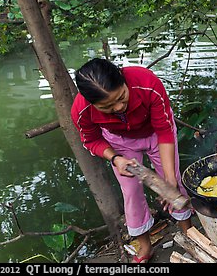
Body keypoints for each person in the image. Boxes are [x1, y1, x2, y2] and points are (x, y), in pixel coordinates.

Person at [71, 58, 193, 263]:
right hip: (119, 143)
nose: (119, 107)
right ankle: (144, 245)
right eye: (108, 106)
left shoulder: (146, 82)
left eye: (122, 97)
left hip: (156, 133)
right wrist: (115, 158)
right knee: (131, 192)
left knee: (174, 184)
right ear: (91, 102)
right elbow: (91, 140)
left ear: (123, 77)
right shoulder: (81, 110)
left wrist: (169, 179)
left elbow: (164, 132)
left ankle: (188, 233)